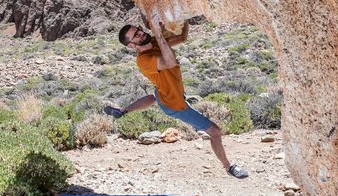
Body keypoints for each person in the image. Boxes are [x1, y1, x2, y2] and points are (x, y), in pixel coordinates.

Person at [104, 13, 249, 179]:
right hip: (174, 104)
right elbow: (170, 62)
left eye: (138, 30)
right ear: (131, 45)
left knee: (154, 97)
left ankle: (123, 111)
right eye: (135, 35)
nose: (141, 33)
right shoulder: (144, 60)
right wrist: (158, 34)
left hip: (163, 92)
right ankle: (229, 167)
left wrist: (184, 17)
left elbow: (182, 37)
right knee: (215, 131)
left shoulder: (152, 42)